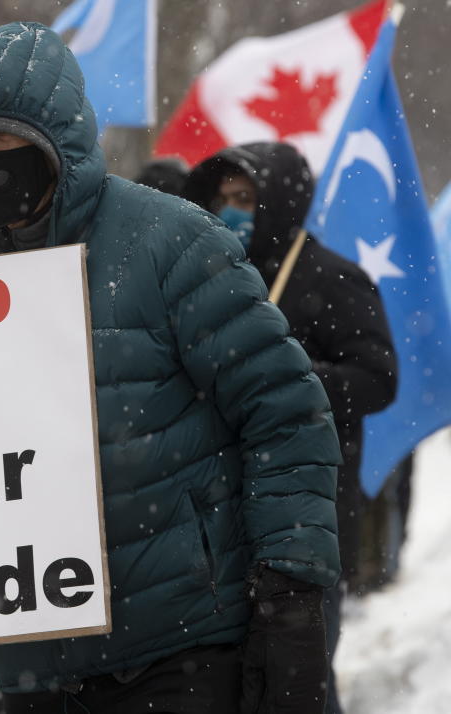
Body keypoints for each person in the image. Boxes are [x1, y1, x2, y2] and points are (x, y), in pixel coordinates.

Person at [0, 23, 342, 714]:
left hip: (185, 649)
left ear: (54, 136)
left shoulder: (170, 243)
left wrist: (291, 595)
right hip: (35, 675)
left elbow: (284, 414)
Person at [184, 141, 398, 714]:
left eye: (246, 198)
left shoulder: (331, 278)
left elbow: (378, 378)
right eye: (222, 199)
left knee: (300, 684)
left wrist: (291, 379)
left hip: (310, 518)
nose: (232, 211)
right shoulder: (217, 280)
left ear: (279, 201)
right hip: (225, 522)